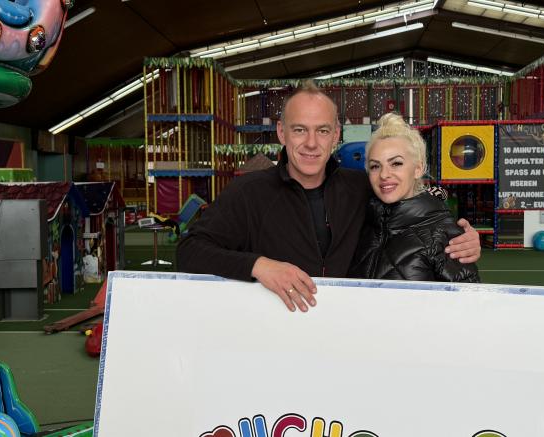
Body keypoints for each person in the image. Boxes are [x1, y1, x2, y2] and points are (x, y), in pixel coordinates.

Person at [177, 81, 481, 312]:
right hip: (277, 339)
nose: (311, 143)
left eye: (322, 131)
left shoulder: (360, 186)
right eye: (300, 130)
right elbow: (189, 251)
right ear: (282, 133)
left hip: (347, 339)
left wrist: (458, 234)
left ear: (336, 135)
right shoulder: (248, 193)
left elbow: (408, 197)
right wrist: (259, 265)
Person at [349, 113, 479, 283]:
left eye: (396, 163)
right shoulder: (359, 223)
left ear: (418, 169)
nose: (384, 174)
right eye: (375, 166)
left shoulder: (445, 236)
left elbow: (469, 304)